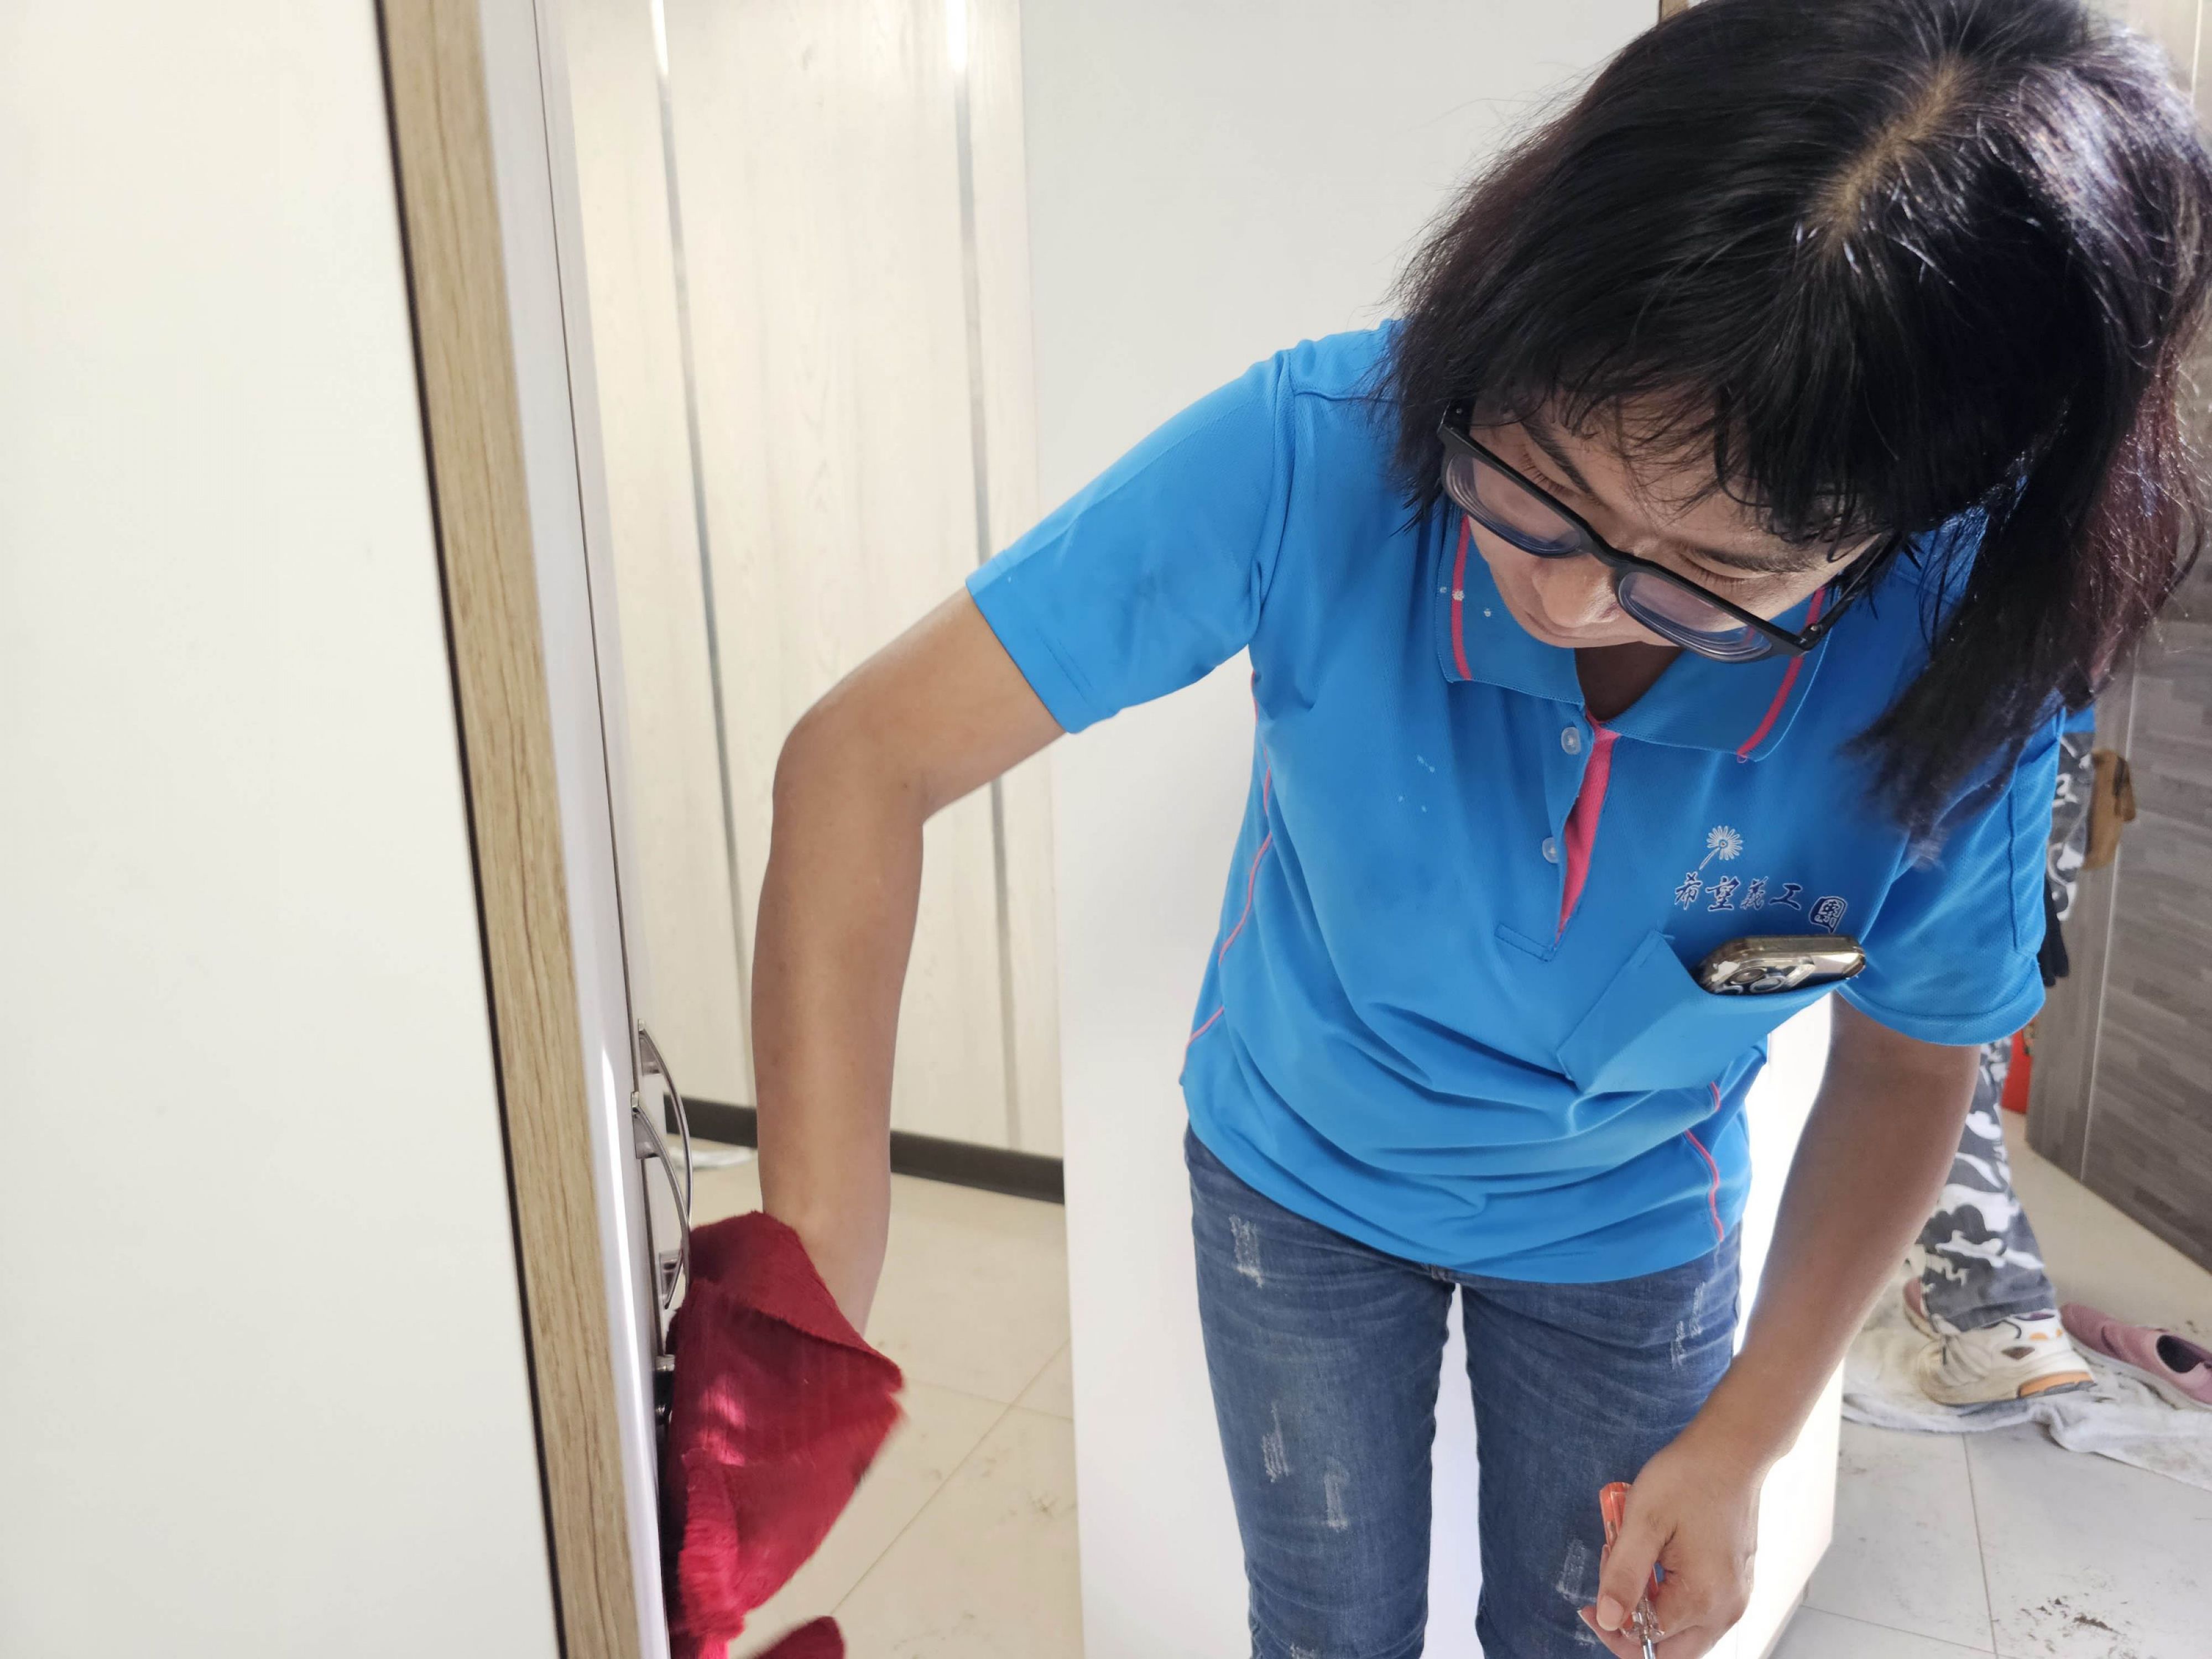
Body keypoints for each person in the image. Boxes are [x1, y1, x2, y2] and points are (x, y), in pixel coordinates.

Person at [748, 3, 2212, 1655]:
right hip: (1295, 1173)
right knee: (1323, 1627)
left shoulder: (1957, 670)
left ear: (1902, 528)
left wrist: (1747, 1437)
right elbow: (864, 754)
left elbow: (1905, 1065)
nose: (1573, 600)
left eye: (1711, 573)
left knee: (1590, 1636)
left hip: (1628, 1222)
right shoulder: (1319, 445)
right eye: (1537, 483)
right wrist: (809, 1276)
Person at [1906, 708, 2099, 1405]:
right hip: (2055, 731)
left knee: (1922, 1042)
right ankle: (1969, 1285)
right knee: (1975, 1028)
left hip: (1956, 722)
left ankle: (2000, 1318)